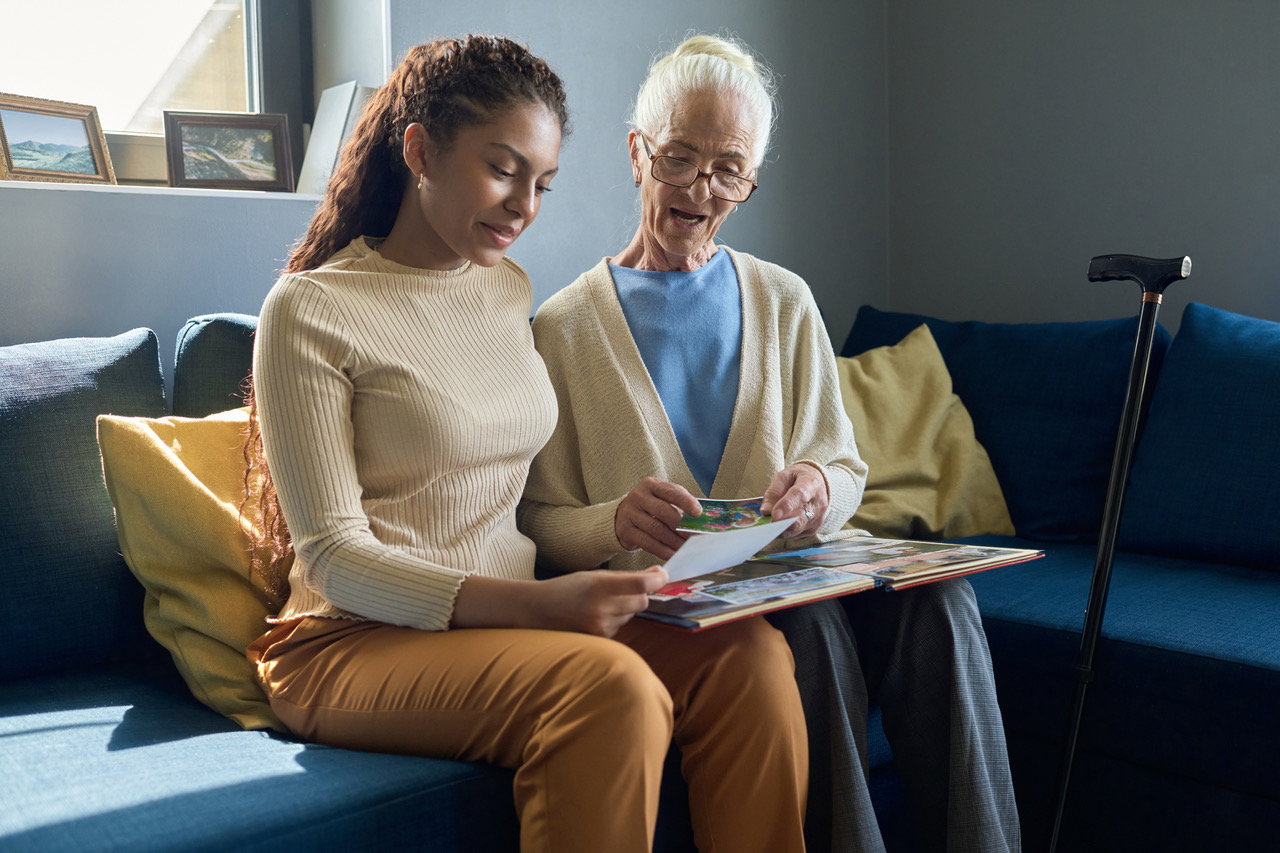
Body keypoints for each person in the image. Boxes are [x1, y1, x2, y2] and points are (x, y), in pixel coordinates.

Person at [243, 34, 809, 853]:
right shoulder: (309, 310)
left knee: (745, 655)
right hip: (349, 640)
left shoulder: (509, 291)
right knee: (610, 691)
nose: (523, 205)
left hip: (501, 626)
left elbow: (526, 505)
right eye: (503, 169)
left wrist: (602, 544)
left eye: (541, 182)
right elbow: (334, 558)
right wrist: (542, 602)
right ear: (419, 150)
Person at [519, 34, 1021, 853]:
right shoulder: (563, 328)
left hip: (811, 566)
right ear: (637, 154)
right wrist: (613, 521)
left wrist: (822, 486)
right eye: (680, 158)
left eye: (730, 169)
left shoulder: (786, 300)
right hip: (700, 609)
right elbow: (536, 519)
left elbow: (845, 462)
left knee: (943, 600)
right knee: (810, 634)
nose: (701, 190)